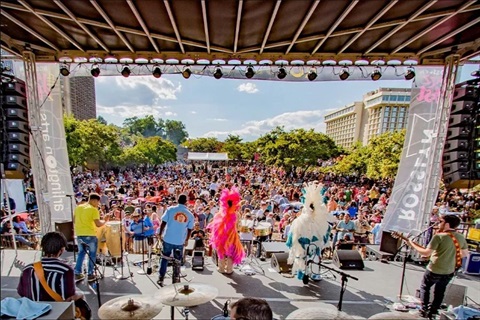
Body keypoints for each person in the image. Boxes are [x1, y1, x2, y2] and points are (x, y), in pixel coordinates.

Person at [407, 214, 468, 319]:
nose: (439, 223)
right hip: (449, 270)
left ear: (447, 224)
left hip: (434, 268)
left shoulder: (439, 236)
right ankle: (433, 312)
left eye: (441, 221)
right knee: (440, 291)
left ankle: (424, 309)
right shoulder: (461, 237)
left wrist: (411, 244)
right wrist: (449, 254)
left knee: (425, 287)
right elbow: (464, 254)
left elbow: (426, 253)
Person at [17, 231, 84, 301]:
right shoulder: (65, 270)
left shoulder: (27, 269)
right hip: (57, 310)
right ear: (62, 249)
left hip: (32, 310)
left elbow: (21, 292)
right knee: (80, 294)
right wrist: (81, 294)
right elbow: (69, 297)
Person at [157, 194, 195, 287]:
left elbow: (163, 223)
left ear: (177, 200)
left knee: (165, 258)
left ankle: (161, 278)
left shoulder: (170, 209)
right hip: (179, 241)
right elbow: (190, 229)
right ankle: (176, 279)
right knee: (177, 260)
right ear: (186, 201)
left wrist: (160, 233)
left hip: (168, 239)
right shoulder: (190, 214)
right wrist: (186, 240)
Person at [207, 187, 245, 274]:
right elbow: (238, 226)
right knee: (230, 252)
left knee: (221, 252)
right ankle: (229, 269)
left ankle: (221, 268)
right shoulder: (236, 214)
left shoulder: (219, 214)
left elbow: (215, 226)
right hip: (232, 236)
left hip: (221, 236)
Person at [74, 193, 107, 282]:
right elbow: (98, 224)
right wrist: (105, 222)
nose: (98, 204)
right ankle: (90, 274)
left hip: (79, 234)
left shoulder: (78, 207)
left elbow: (74, 220)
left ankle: (77, 273)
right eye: (97, 202)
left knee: (81, 253)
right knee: (92, 254)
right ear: (94, 200)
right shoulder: (93, 210)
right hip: (90, 234)